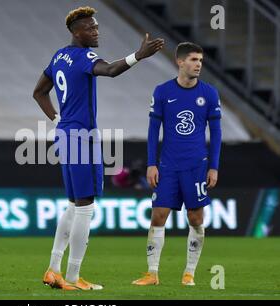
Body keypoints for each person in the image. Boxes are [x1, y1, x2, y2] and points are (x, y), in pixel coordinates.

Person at [33, 6, 164, 290]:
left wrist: (58, 119)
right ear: (76, 32)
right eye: (90, 28)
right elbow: (111, 70)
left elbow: (38, 92)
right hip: (81, 138)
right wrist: (138, 55)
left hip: (67, 134)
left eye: (96, 26)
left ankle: (53, 269)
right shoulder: (83, 57)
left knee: (72, 205)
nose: (96, 32)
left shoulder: (59, 55)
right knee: (85, 208)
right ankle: (72, 277)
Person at [132, 42, 222, 286]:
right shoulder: (162, 92)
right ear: (180, 62)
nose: (198, 65)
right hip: (168, 165)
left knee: (195, 219)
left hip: (196, 166)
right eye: (193, 60)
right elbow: (153, 131)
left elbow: (216, 134)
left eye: (200, 61)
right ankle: (152, 273)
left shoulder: (210, 93)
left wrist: (213, 166)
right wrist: (152, 164)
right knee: (158, 215)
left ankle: (189, 272)